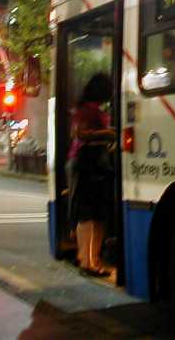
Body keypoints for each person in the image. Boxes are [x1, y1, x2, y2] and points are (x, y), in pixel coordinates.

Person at [67, 73, 116, 276]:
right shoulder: (88, 110)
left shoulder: (89, 108)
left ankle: (88, 258)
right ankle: (89, 261)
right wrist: (109, 133)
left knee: (93, 215)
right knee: (91, 214)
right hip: (88, 164)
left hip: (91, 163)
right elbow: (79, 133)